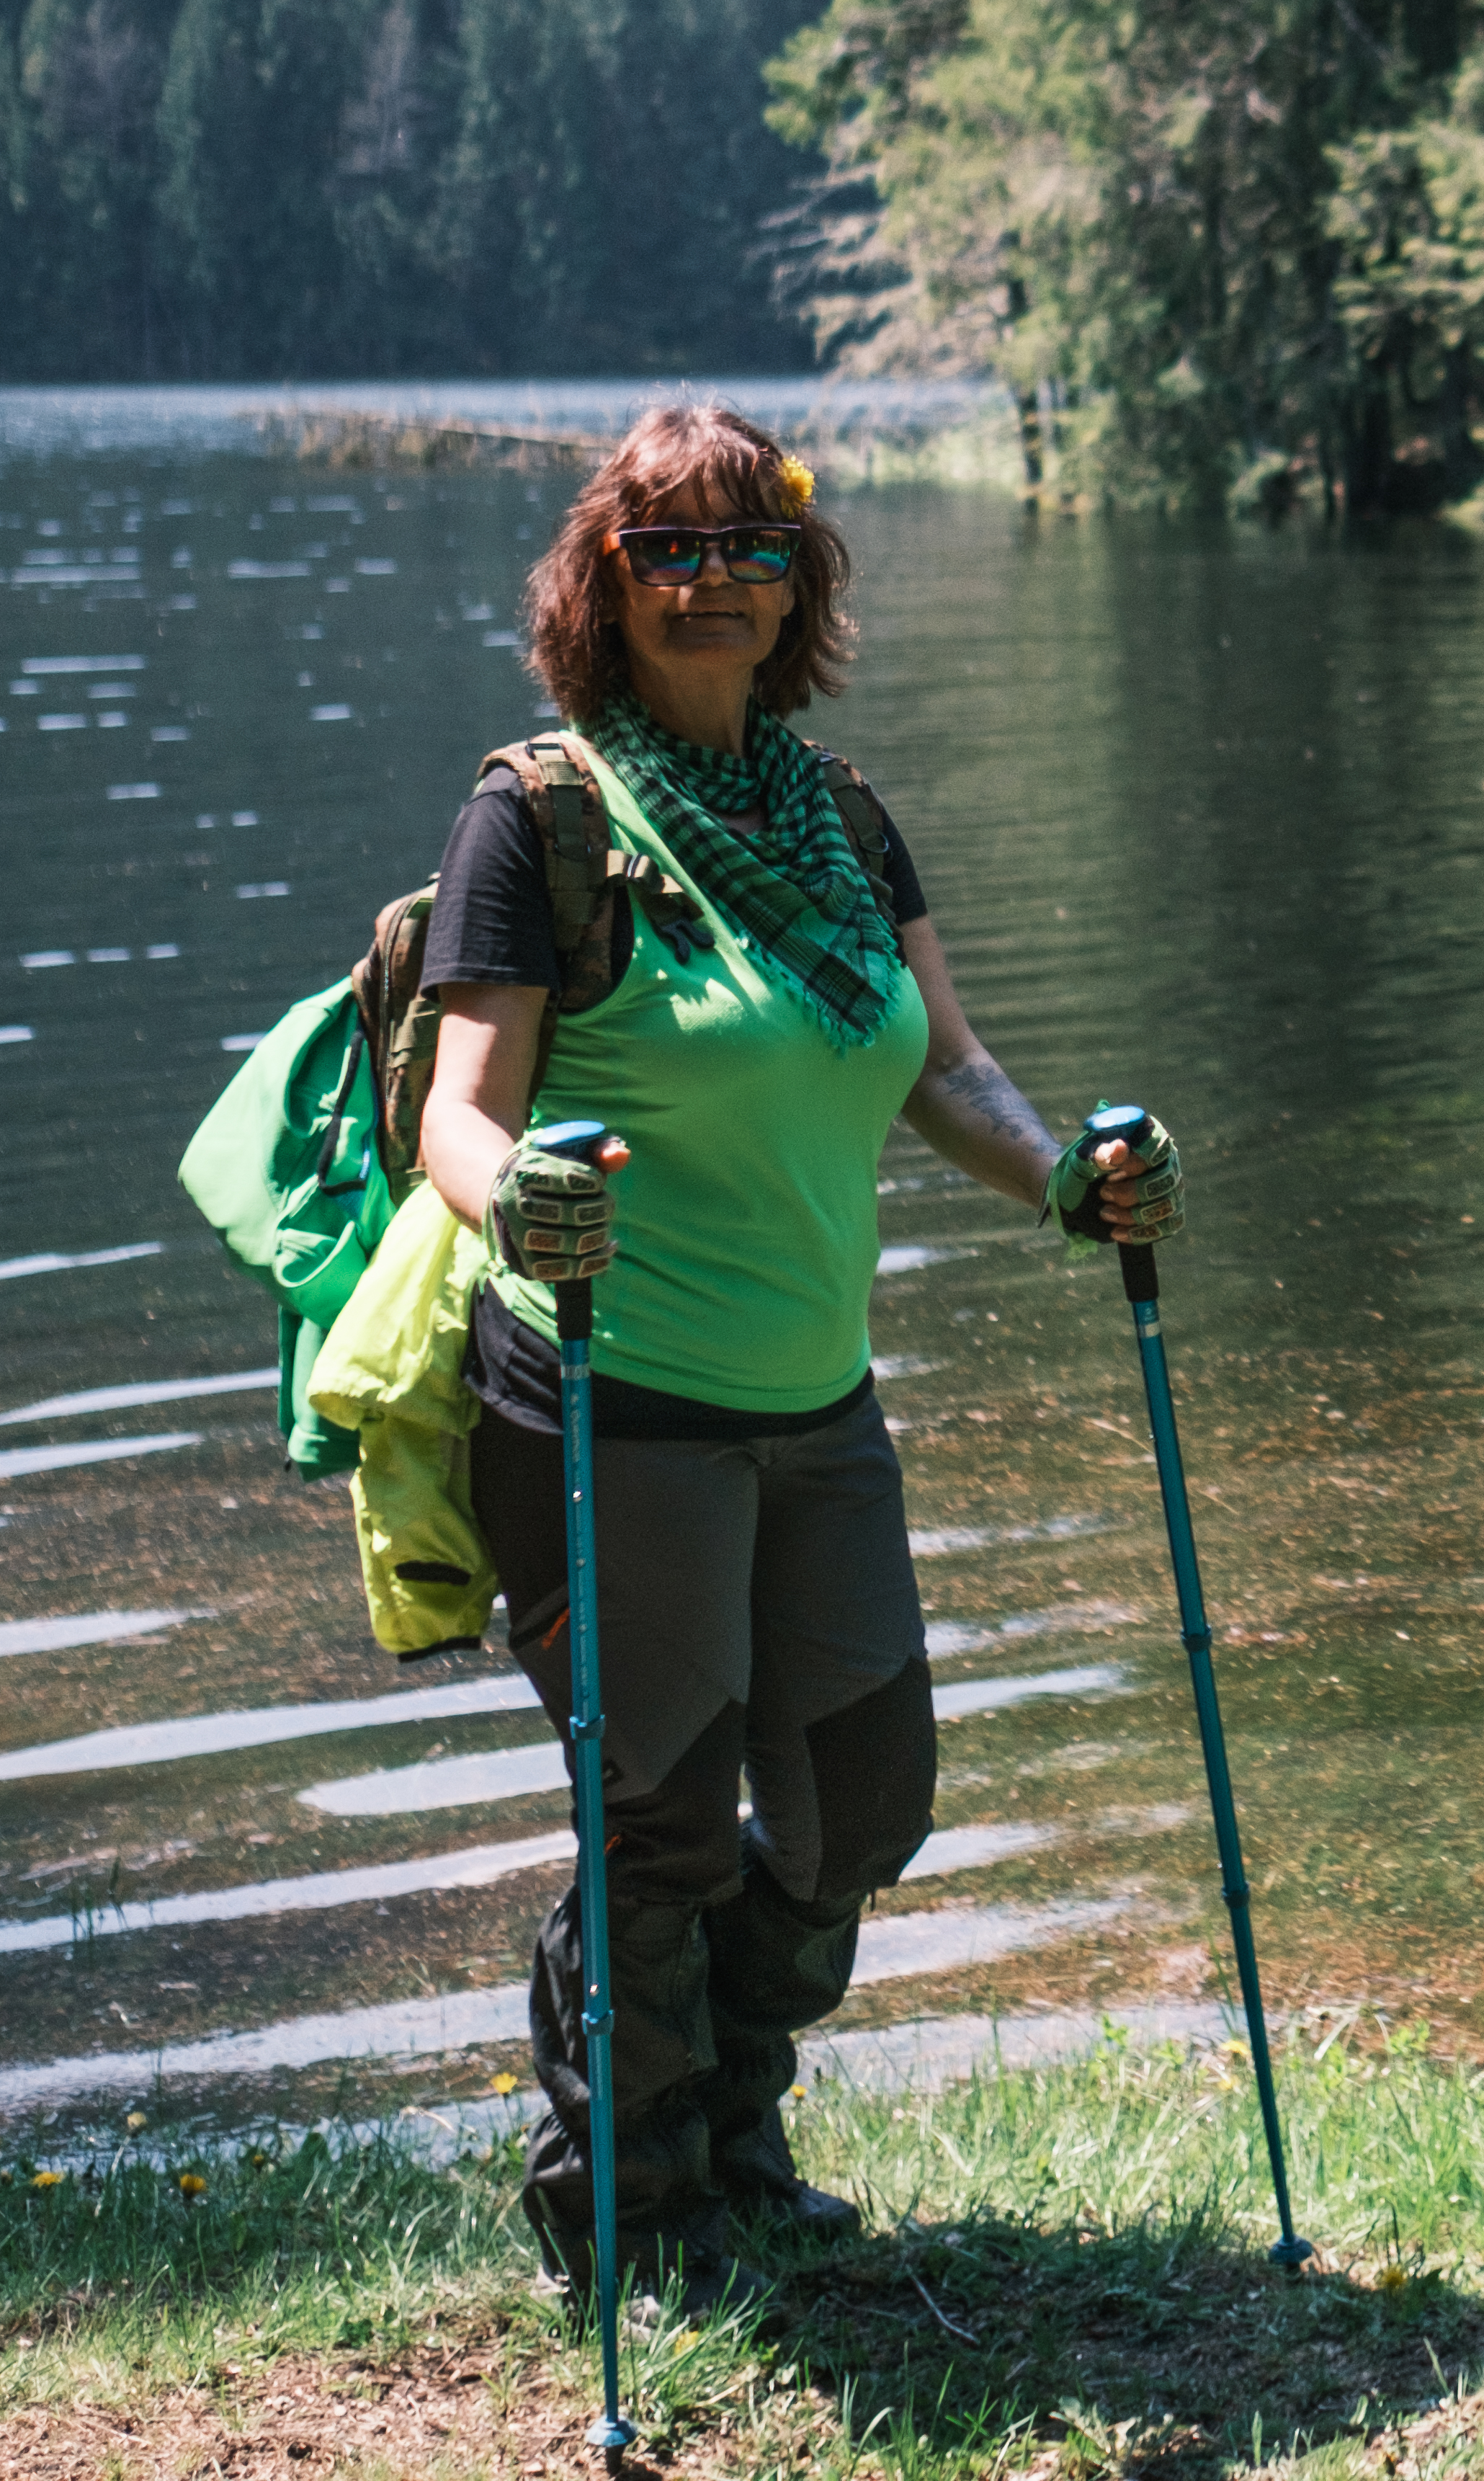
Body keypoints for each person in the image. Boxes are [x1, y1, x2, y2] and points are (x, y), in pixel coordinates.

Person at [415, 398, 1172, 2281]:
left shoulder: (839, 822)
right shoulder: (539, 819)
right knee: (663, 1826)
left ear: (798, 582)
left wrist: (1069, 1179)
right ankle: (636, 2196)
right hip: (609, 1402)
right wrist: (521, 1201)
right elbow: (457, 1113)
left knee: (859, 1812)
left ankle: (724, 2107)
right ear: (604, 579)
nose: (711, 582)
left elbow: (951, 1066)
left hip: (815, 1407)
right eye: (666, 549)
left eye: (750, 545)